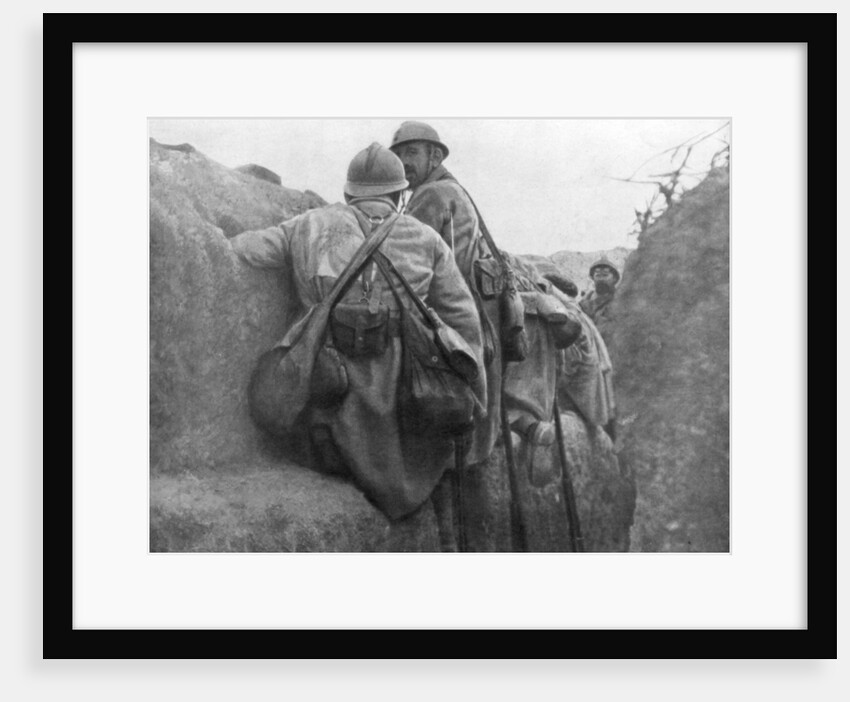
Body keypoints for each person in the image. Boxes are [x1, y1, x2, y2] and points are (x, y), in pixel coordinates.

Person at [229, 143, 487, 526]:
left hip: (328, 393)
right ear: (400, 195)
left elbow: (245, 249)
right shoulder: (427, 239)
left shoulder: (309, 223)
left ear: (349, 193)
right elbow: (463, 321)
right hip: (407, 403)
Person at [390, 121, 511, 549]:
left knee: (448, 441)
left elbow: (417, 269)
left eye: (414, 153)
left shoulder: (432, 195)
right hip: (477, 327)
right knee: (473, 447)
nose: (404, 161)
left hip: (456, 333)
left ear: (435, 157)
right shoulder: (454, 191)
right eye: (400, 153)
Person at [579, 257, 620, 345]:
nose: (601, 279)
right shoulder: (582, 303)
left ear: (614, 279)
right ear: (592, 278)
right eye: (598, 275)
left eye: (605, 275)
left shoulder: (620, 301)